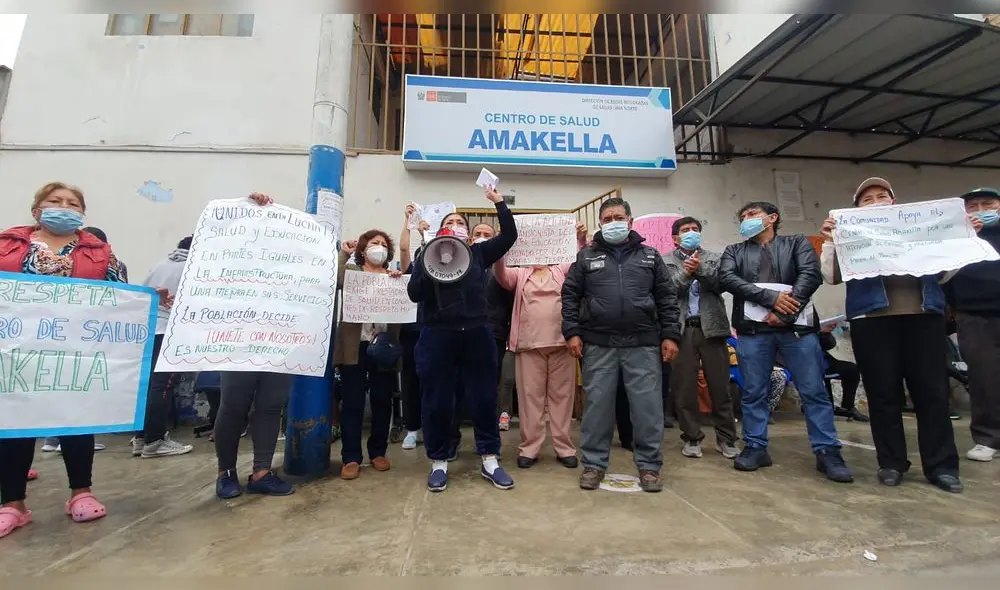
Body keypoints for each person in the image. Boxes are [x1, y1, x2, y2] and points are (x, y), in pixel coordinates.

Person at [0, 182, 129, 539]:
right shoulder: (7, 247)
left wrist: (148, 301)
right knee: (15, 425)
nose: (64, 207)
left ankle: (81, 493)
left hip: (75, 356)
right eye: (55, 201)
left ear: (82, 214)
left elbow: (120, 296)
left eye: (72, 203)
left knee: (76, 420)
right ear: (36, 209)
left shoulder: (100, 252)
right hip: (16, 355)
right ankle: (13, 504)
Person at [819, 178, 959, 492]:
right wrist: (831, 240)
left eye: (883, 196)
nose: (877, 201)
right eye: (867, 199)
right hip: (872, 318)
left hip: (924, 316)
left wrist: (956, 238)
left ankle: (942, 467)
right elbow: (830, 276)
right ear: (856, 210)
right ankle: (892, 463)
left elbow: (946, 272)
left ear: (895, 203)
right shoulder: (846, 235)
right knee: (883, 394)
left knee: (933, 394)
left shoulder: (919, 230)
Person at [720, 201, 852, 483]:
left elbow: (810, 274)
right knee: (754, 390)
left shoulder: (796, 243)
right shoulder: (735, 251)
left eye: (752, 215)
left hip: (797, 331)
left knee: (814, 390)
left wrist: (785, 311)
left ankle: (827, 450)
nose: (746, 219)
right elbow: (728, 278)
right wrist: (770, 300)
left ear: (772, 218)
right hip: (753, 332)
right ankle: (755, 446)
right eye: (742, 217)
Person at [562, 197, 681, 493]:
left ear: (630, 220)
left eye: (618, 216)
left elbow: (667, 298)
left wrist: (670, 334)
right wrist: (572, 332)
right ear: (600, 224)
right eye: (607, 218)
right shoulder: (586, 258)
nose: (613, 222)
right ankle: (593, 464)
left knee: (647, 409)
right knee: (597, 408)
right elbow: (569, 296)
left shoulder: (650, 257)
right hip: (599, 345)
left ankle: (650, 467)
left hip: (642, 344)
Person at [407, 187, 518, 492]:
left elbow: (508, 236)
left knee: (483, 397)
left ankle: (490, 458)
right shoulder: (425, 254)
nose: (456, 225)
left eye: (461, 223)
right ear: (442, 229)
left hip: (476, 333)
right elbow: (414, 294)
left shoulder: (479, 254)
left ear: (467, 235)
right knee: (437, 399)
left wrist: (499, 204)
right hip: (437, 334)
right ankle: (439, 461)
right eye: (451, 222)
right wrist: (427, 262)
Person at [214, 192, 295, 499]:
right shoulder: (232, 255)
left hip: (280, 340)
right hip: (238, 339)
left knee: (271, 405)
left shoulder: (294, 263)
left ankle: (261, 470)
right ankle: (226, 472)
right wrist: (248, 207)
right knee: (233, 405)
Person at [493, 220, 588, 469]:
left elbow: (579, 263)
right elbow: (501, 276)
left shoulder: (561, 269)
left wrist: (579, 240)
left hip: (562, 344)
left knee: (562, 398)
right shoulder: (520, 273)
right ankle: (530, 448)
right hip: (528, 346)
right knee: (529, 399)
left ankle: (564, 447)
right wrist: (500, 247)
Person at [662, 216, 739, 460]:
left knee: (720, 386)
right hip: (682, 330)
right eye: (685, 230)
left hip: (712, 329)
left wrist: (701, 270)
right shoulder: (664, 261)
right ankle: (692, 438)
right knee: (684, 388)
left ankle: (726, 439)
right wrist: (686, 273)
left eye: (695, 229)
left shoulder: (716, 258)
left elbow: (721, 285)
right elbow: (668, 290)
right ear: (675, 238)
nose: (691, 233)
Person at [333, 229, 403, 480]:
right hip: (356, 346)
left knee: (382, 401)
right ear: (363, 249)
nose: (380, 247)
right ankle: (351, 457)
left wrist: (398, 281)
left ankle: (378, 452)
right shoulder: (353, 273)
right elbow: (336, 280)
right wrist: (344, 254)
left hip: (383, 346)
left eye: (384, 244)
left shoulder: (391, 276)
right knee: (352, 403)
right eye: (374, 243)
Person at [944, 187, 1000, 463]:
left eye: (987, 204)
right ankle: (987, 438)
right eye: (973, 206)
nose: (980, 211)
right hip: (973, 315)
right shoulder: (956, 240)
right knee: (984, 378)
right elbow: (943, 277)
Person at [132, 236, 195, 458]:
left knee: (149, 386)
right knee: (163, 386)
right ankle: (155, 441)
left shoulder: (160, 264)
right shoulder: (194, 266)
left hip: (149, 329)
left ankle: (141, 438)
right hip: (169, 330)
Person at [398, 206, 429, 450]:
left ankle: (431, 427)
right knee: (410, 382)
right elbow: (404, 249)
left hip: (434, 331)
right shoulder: (412, 269)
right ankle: (412, 428)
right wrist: (408, 222)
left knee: (434, 382)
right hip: (411, 332)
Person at [818, 322, 868, 422]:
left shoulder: (815, 322)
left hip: (823, 360)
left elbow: (830, 345)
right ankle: (823, 407)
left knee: (852, 369)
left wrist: (824, 333)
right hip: (806, 361)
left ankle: (848, 407)